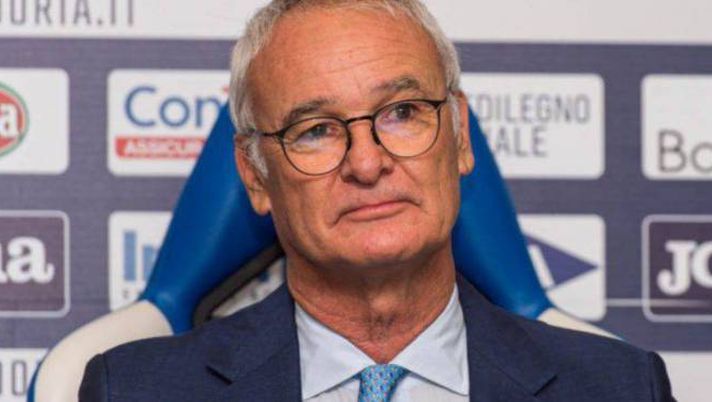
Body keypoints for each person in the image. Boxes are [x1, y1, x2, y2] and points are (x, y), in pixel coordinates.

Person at [80, 1, 675, 401]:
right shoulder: (133, 390)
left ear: (460, 137)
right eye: (314, 129)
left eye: (402, 113)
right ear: (254, 176)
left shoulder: (620, 388)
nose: (366, 164)